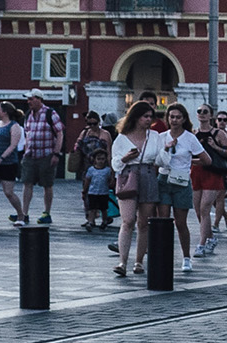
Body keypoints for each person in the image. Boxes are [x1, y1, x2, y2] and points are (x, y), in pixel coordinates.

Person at [112, 101, 164, 277]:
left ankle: (139, 261)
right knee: (127, 221)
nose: (149, 120)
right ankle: (122, 261)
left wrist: (167, 151)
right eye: (145, 116)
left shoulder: (155, 136)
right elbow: (115, 163)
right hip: (128, 176)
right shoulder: (122, 137)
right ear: (135, 117)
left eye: (151, 117)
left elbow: (161, 160)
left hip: (148, 175)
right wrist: (126, 158)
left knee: (144, 222)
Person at [157, 104, 206, 272]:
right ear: (167, 118)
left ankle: (186, 257)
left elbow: (207, 160)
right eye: (172, 117)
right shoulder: (161, 137)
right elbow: (156, 159)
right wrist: (166, 148)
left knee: (180, 222)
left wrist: (189, 162)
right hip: (163, 179)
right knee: (163, 220)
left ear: (184, 119)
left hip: (181, 181)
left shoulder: (190, 138)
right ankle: (163, 254)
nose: (175, 120)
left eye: (178, 117)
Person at [192, 103, 227, 255]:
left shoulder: (218, 134)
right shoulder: (194, 134)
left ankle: (201, 244)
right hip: (197, 171)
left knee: (205, 208)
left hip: (213, 173)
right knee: (197, 210)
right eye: (199, 111)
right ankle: (210, 237)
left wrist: (215, 147)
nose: (202, 114)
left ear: (211, 116)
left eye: (205, 112)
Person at [18, 89, 64, 225]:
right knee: (27, 183)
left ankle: (47, 212)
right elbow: (28, 134)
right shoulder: (28, 115)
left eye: (31, 99)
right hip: (31, 154)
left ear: (39, 99)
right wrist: (26, 151)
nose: (28, 102)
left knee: (47, 184)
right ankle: (24, 213)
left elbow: (60, 133)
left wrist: (56, 153)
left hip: (46, 154)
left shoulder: (50, 113)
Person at [0, 101, 27, 228]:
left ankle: (20, 215)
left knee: (8, 192)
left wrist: (2, 158)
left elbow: (13, 145)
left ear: (5, 112)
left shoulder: (14, 126)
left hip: (7, 163)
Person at [73, 111, 112, 227]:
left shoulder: (105, 134)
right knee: (87, 193)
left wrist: (111, 169)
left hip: (102, 167)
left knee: (102, 192)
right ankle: (90, 218)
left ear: (99, 122)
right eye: (89, 123)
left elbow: (109, 151)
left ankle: (104, 216)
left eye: (94, 123)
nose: (92, 126)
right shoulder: (85, 133)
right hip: (87, 166)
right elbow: (77, 146)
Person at [83, 149, 114, 232]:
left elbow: (110, 181)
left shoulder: (108, 170)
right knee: (92, 208)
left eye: (103, 159)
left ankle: (104, 221)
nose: (101, 161)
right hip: (92, 192)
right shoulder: (91, 170)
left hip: (104, 192)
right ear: (94, 159)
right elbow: (87, 180)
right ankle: (90, 222)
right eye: (98, 159)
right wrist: (84, 190)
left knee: (103, 209)